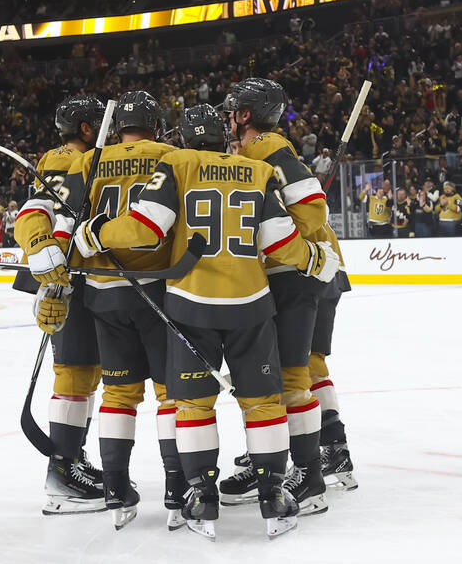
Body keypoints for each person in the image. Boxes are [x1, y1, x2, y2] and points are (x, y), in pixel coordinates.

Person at [71, 102, 340, 540]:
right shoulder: (253, 171)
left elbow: (144, 228)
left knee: (194, 406)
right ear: (224, 135)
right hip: (252, 303)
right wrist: (314, 259)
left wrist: (95, 234)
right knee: (263, 403)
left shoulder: (176, 163)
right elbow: (280, 239)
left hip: (190, 307)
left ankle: (201, 496)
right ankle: (273, 496)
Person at [49, 90, 184, 530]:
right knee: (170, 395)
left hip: (102, 294)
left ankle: (115, 490)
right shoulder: (171, 156)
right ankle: (176, 489)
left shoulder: (90, 160)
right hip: (156, 291)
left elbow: (62, 223)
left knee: (118, 395)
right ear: (156, 124)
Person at [221, 78, 343, 515]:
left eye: (232, 109)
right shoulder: (252, 151)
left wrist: (294, 251)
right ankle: (268, 462)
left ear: (246, 114)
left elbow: (312, 206)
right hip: (275, 279)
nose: (227, 116)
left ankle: (309, 475)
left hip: (291, 278)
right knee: (266, 380)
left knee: (292, 377)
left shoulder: (268, 146)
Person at [12, 96, 107, 514]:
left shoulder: (60, 156)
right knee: (74, 371)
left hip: (68, 271)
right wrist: (49, 285)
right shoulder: (71, 159)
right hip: (67, 274)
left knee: (86, 372)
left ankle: (72, 457)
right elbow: (51, 216)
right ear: (86, 128)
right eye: (100, 123)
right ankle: (62, 471)